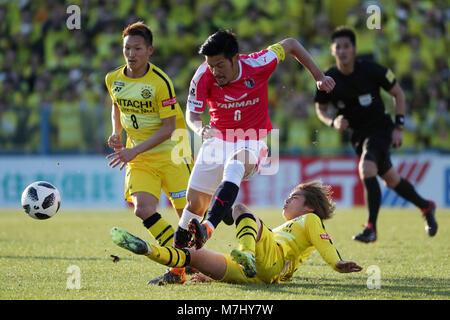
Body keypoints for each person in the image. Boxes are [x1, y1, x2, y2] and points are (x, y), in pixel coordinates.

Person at [155, 30, 335, 285]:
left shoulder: (258, 63)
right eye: (210, 65)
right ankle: (176, 272)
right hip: (217, 138)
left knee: (236, 164)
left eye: (219, 65)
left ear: (236, 59)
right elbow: (192, 115)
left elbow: (292, 44)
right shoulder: (202, 76)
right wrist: (200, 129)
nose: (214, 71)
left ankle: (209, 227)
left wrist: (319, 76)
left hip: (253, 138)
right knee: (193, 205)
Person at [314, 26, 438, 243]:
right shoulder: (328, 79)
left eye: (346, 46)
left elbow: (398, 93)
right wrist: (333, 121)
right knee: (391, 180)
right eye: (338, 47)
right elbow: (321, 110)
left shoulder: (371, 70)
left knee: (366, 168)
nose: (342, 51)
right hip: (359, 137)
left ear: (354, 49)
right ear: (332, 51)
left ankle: (371, 227)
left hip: (380, 129)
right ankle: (426, 206)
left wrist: (398, 127)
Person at [110, 180, 363, 284]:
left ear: (309, 206)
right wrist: (211, 278)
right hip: (259, 277)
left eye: (293, 197)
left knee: (242, 209)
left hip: (267, 259)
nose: (286, 201)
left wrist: (336, 262)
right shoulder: (281, 230)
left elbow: (324, 242)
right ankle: (148, 250)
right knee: (193, 256)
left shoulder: (310, 220)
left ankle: (245, 252)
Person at [104, 21, 192, 282]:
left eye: (137, 48)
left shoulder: (160, 82)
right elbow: (116, 106)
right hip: (139, 155)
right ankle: (180, 264)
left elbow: (167, 128)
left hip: (173, 151)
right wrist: (116, 132)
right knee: (143, 209)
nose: (131, 54)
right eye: (126, 48)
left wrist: (134, 150)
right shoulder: (113, 79)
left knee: (186, 217)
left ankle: (186, 265)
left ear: (149, 50)